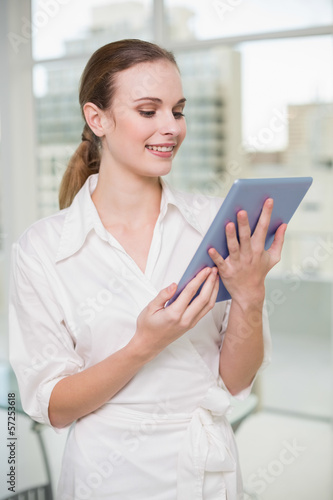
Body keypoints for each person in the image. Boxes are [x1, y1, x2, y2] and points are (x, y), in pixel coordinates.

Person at [9, 39, 286, 500]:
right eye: (147, 110)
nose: (170, 128)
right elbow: (53, 407)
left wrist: (250, 293)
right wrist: (144, 344)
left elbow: (237, 381)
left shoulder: (214, 225)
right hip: (107, 476)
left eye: (177, 111)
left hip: (207, 472)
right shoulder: (42, 250)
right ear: (97, 118)